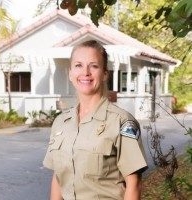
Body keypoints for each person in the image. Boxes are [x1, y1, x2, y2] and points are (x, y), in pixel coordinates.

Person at [43, 40, 148, 200]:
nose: (85, 72)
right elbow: (59, 177)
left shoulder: (121, 122)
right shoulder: (61, 123)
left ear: (105, 74)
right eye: (78, 65)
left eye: (94, 66)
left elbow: (134, 184)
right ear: (70, 73)